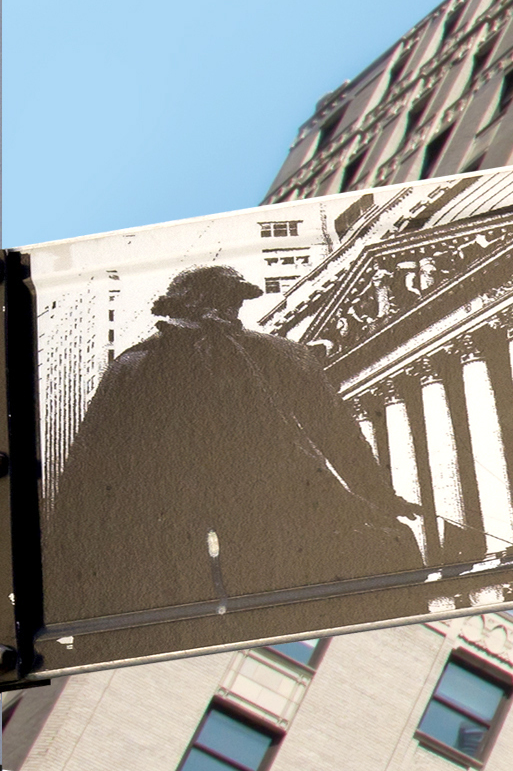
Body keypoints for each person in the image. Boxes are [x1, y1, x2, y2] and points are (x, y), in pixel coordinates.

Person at [39, 262, 423, 624]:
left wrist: (380, 495)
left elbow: (337, 433)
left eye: (234, 303)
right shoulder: (135, 365)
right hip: (176, 518)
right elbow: (93, 466)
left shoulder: (278, 355)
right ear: (190, 306)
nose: (230, 311)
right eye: (223, 301)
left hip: (266, 510)